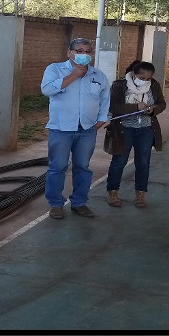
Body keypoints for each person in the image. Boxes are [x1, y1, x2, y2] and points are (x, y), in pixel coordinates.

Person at [41, 37, 111, 219]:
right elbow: (47, 90)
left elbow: (105, 99)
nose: (83, 55)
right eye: (79, 51)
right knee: (58, 167)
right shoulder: (55, 69)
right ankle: (56, 204)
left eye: (87, 52)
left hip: (87, 130)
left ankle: (79, 202)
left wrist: (101, 120)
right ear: (69, 53)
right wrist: (73, 75)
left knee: (83, 166)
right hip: (61, 129)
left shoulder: (98, 75)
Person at [103, 60, 166, 208]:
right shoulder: (120, 85)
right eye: (142, 78)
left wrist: (153, 110)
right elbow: (113, 107)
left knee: (143, 163)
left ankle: (140, 194)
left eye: (148, 78)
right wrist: (135, 107)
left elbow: (162, 104)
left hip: (146, 129)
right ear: (133, 74)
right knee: (119, 161)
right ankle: (113, 192)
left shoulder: (154, 86)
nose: (145, 81)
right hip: (124, 129)